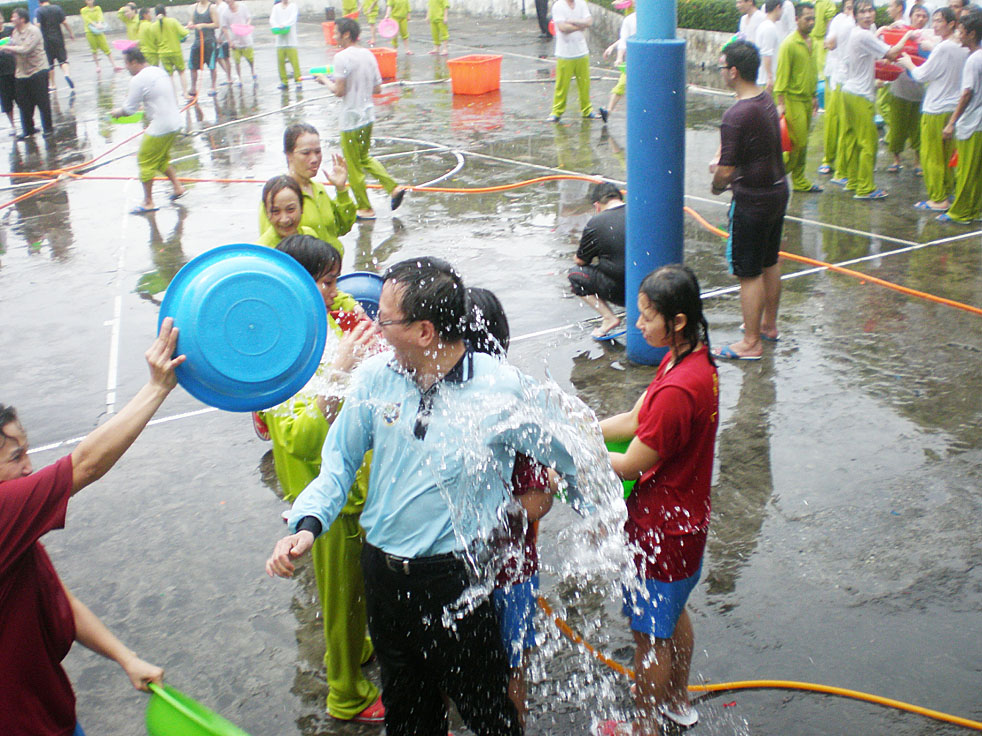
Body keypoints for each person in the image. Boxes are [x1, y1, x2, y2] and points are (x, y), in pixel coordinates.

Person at [267, 257, 577, 736]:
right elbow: (339, 465)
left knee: (487, 711)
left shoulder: (502, 390)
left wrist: (602, 516)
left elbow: (568, 458)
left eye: (386, 319)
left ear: (425, 331)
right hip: (385, 577)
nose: (375, 329)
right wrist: (307, 525)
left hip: (460, 579)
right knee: (409, 712)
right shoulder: (375, 379)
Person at [0, 320, 183, 736]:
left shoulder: (16, 535)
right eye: (15, 457)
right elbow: (85, 465)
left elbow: (55, 595)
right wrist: (157, 388)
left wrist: (125, 657)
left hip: (55, 713)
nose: (29, 466)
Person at [261, 234, 386, 725]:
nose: (337, 292)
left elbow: (357, 312)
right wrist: (339, 372)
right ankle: (347, 695)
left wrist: (369, 333)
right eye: (327, 283)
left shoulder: (326, 314)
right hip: (323, 490)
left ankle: (357, 646)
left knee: (355, 585)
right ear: (297, 286)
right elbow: (300, 438)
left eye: (336, 280)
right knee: (339, 593)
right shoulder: (278, 352)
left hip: (352, 479)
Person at [599, 264, 719, 736]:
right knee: (672, 615)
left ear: (679, 320)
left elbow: (629, 464)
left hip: (662, 530)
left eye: (648, 316)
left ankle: (645, 725)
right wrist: (582, 428)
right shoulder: (693, 361)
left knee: (650, 637)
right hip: (688, 523)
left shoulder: (677, 389)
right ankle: (677, 701)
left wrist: (574, 454)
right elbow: (633, 418)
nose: (639, 324)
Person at [466, 287, 554, 729]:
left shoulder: (512, 406)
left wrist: (481, 526)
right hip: (489, 572)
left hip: (503, 574)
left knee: (502, 669)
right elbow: (539, 498)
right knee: (493, 667)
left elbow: (538, 500)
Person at [711, 39, 788, 360]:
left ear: (733, 72)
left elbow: (726, 170)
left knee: (749, 271)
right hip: (777, 191)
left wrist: (716, 184)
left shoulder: (736, 114)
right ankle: (769, 325)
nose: (720, 72)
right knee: (769, 260)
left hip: (752, 200)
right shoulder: (766, 100)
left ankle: (751, 342)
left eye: (721, 67)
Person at [316, 19, 407, 221]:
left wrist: (324, 80)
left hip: (350, 119)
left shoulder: (341, 58)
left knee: (354, 165)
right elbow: (377, 88)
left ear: (346, 34)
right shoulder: (368, 54)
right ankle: (393, 188)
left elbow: (339, 91)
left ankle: (365, 207)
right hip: (367, 116)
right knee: (364, 157)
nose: (334, 36)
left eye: (337, 33)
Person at [832, 0, 910, 199]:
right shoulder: (863, 35)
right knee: (869, 143)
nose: (867, 15)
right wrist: (909, 34)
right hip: (860, 95)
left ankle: (853, 180)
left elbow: (873, 56)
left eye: (870, 10)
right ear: (856, 16)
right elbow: (892, 53)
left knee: (855, 141)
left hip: (849, 91)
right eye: (862, 12)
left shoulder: (857, 34)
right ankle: (865, 187)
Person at [900, 6, 967, 210]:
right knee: (947, 157)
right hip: (952, 108)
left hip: (935, 108)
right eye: (934, 20)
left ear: (951, 24)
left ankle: (937, 198)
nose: (935, 24)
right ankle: (947, 192)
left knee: (932, 157)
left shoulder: (943, 48)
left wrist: (909, 63)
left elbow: (921, 75)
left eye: (939, 21)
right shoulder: (962, 46)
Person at [258, 123, 356, 254]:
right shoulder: (276, 197)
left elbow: (342, 228)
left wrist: (341, 190)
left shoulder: (319, 190)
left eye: (317, 151)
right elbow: (272, 248)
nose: (314, 159)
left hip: (330, 270)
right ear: (289, 155)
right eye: (306, 153)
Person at [112, 47, 186, 214]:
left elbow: (129, 110)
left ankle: (148, 202)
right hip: (175, 122)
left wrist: (117, 113)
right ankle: (177, 187)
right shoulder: (158, 71)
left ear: (134, 62)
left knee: (145, 160)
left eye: (126, 63)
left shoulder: (138, 79)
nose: (126, 68)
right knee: (160, 159)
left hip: (161, 125)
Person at [567, 181, 626, 340]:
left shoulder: (596, 223)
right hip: (649, 287)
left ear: (597, 205)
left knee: (575, 274)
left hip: (622, 291)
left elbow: (580, 261)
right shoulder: (639, 213)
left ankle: (609, 318)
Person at [939, 8, 982, 223]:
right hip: (979, 124)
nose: (959, 35)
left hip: (972, 124)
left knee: (964, 170)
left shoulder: (974, 60)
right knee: (977, 170)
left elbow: (966, 94)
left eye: (962, 31)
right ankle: (975, 209)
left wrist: (951, 123)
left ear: (972, 34)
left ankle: (960, 212)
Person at [774, 2, 822, 193]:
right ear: (796, 19)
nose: (811, 22)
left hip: (806, 100)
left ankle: (800, 180)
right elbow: (782, 75)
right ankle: (776, 176)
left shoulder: (813, 43)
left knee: (804, 143)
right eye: (807, 19)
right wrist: (780, 103)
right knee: (797, 143)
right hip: (792, 100)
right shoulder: (789, 44)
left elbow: (812, 71)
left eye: (813, 19)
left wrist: (814, 95)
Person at [2, 7, 52, 140]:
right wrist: (7, 49)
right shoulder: (14, 32)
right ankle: (28, 129)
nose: (11, 19)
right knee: (24, 103)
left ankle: (48, 128)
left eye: (14, 17)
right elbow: (14, 48)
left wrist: (7, 47)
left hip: (37, 70)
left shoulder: (33, 31)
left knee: (42, 101)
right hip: (21, 73)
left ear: (22, 19)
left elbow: (26, 49)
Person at [820, 0, 855, 176]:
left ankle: (846, 164)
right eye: (849, 7)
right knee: (833, 119)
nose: (852, 12)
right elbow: (830, 43)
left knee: (849, 124)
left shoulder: (866, 24)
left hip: (856, 81)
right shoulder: (840, 21)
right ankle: (828, 159)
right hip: (837, 76)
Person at [548, 0, 599, 122]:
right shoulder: (558, 6)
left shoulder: (581, 3)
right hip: (564, 53)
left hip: (581, 51)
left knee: (584, 84)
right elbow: (562, 28)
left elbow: (589, 21)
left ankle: (587, 110)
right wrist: (581, 26)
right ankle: (557, 112)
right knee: (562, 85)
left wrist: (573, 22)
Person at [599, 0, 635, 122]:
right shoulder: (629, 20)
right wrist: (618, 56)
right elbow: (624, 40)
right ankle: (608, 112)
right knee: (622, 85)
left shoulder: (650, 20)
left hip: (647, 60)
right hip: (633, 60)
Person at [147, 5, 189, 98]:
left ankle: (173, 96)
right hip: (175, 51)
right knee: (181, 72)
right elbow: (184, 33)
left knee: (170, 75)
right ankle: (185, 93)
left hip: (163, 54)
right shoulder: (172, 21)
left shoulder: (153, 26)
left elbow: (153, 41)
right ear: (165, 12)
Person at [35, 0, 74, 91]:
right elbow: (64, 22)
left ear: (39, 2)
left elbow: (38, 25)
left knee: (50, 63)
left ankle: (53, 85)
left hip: (47, 40)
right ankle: (66, 74)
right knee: (63, 60)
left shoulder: (39, 11)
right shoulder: (57, 8)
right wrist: (71, 33)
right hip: (58, 38)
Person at [187, 0, 219, 97]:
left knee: (212, 66)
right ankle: (193, 87)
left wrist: (203, 25)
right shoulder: (194, 7)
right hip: (197, 41)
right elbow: (192, 20)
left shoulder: (212, 7)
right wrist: (190, 24)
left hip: (209, 41)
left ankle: (213, 86)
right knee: (193, 66)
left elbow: (216, 24)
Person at [79, 0, 120, 73]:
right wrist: (95, 25)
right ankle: (97, 66)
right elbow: (87, 19)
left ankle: (114, 65)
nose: (90, 1)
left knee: (106, 48)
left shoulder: (97, 8)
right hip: (89, 31)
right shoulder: (83, 10)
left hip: (99, 30)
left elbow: (100, 16)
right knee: (94, 49)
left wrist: (100, 23)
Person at [221, 0, 255, 84]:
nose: (229, 3)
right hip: (234, 39)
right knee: (236, 61)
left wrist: (247, 24)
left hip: (246, 37)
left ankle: (253, 71)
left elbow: (248, 18)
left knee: (250, 58)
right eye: (227, 2)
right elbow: (224, 27)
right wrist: (229, 41)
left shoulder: (243, 7)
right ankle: (239, 78)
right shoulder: (225, 13)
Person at [269, 0, 300, 89]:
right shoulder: (276, 7)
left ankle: (298, 80)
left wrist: (284, 24)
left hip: (291, 40)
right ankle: (284, 81)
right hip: (280, 41)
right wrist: (277, 26)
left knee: (294, 62)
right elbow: (272, 19)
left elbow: (293, 19)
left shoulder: (293, 6)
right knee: (281, 62)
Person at [756, 0, 784, 92]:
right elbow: (766, 54)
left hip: (763, 78)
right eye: (782, 9)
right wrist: (770, 77)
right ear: (778, 8)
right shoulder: (769, 28)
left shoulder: (764, 26)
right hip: (767, 81)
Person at [811, 0, 838, 76]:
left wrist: (828, 39)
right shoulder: (804, 1)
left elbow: (830, 21)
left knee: (822, 72)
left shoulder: (828, 2)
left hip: (822, 42)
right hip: (807, 41)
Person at [0, 11, 16, 135]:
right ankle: (13, 125)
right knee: (6, 101)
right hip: (1, 74)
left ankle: (28, 122)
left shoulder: (11, 30)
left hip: (15, 70)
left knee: (22, 98)